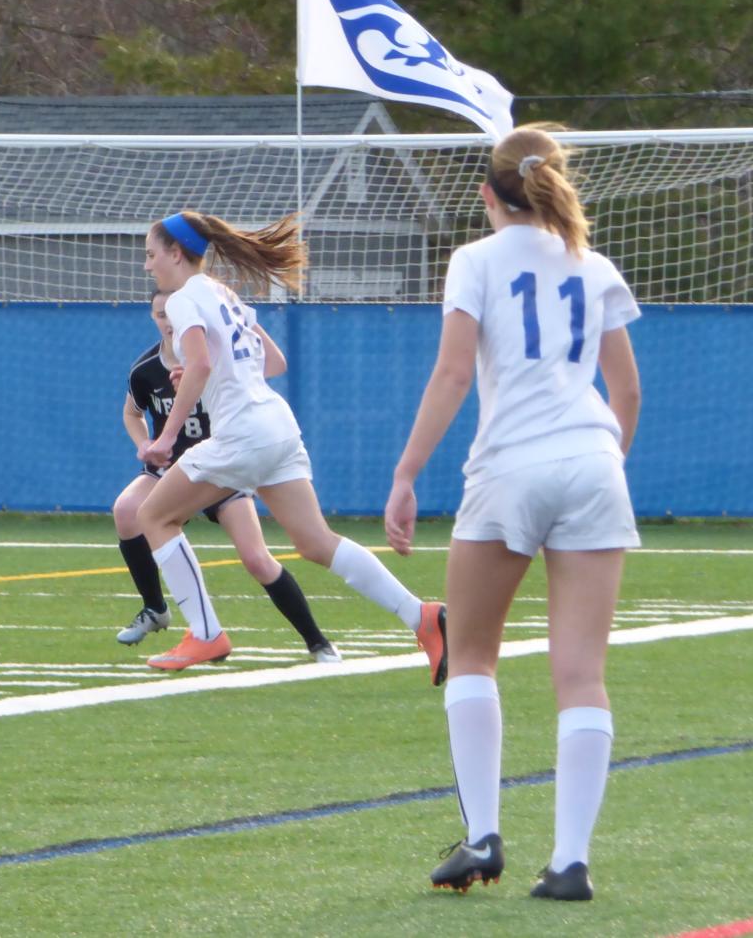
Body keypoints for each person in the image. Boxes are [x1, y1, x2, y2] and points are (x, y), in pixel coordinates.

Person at [383, 124, 643, 903]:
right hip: (594, 463)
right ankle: (569, 862)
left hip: (508, 469)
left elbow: (453, 373)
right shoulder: (592, 264)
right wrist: (598, 468)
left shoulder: (474, 259)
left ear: (487, 195)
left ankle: (483, 837)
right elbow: (625, 392)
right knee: (581, 678)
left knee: (470, 657)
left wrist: (405, 474)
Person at [132, 210, 447, 679]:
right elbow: (271, 362)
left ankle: (204, 633)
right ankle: (421, 616)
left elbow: (198, 365)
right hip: (278, 426)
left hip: (243, 433)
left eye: (151, 254)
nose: (147, 265)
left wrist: (168, 436)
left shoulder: (182, 300)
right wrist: (210, 372)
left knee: (153, 516)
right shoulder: (225, 294)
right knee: (317, 542)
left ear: (176, 254)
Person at [114, 290, 342, 665]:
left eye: (172, 313)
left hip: (222, 466)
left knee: (256, 558)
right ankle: (155, 609)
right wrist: (146, 444)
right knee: (127, 510)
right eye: (160, 314)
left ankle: (318, 641)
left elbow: (270, 366)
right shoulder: (145, 370)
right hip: (174, 470)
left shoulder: (211, 361)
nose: (168, 321)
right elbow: (131, 414)